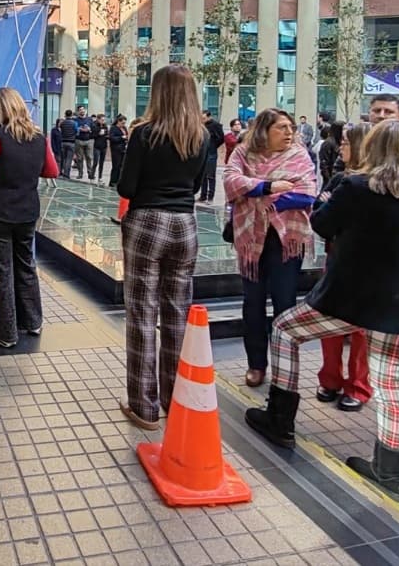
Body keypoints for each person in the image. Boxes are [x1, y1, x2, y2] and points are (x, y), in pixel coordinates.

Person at [245, 121, 399, 502]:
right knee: (390, 382)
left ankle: (280, 417)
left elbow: (322, 224)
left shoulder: (357, 187)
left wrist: (324, 202)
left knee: (285, 330)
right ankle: (391, 470)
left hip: (354, 293)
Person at [116, 65, 213, 430]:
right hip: (185, 226)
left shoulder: (144, 134)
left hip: (148, 223)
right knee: (177, 315)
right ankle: (176, 398)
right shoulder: (202, 136)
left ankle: (145, 406)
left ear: (158, 93)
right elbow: (199, 182)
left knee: (142, 313)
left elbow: (126, 188)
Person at [223, 109, 317, 387]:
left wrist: (263, 199)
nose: (289, 133)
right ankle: (256, 365)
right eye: (281, 128)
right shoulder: (242, 153)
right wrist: (268, 186)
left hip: (285, 240)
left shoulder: (299, 154)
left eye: (291, 127)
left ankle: (284, 367)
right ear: (264, 130)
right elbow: (230, 182)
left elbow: (306, 193)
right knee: (252, 303)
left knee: (284, 304)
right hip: (251, 241)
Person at [0, 88, 60, 348]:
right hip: (27, 212)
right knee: (26, 264)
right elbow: (52, 171)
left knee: (2, 271)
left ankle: (6, 332)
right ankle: (32, 321)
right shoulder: (39, 137)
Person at [314, 122, 373, 412]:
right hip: (336, 258)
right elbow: (319, 213)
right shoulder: (338, 179)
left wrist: (328, 208)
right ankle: (330, 379)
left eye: (347, 143)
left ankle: (358, 386)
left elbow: (328, 212)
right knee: (329, 323)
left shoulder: (375, 183)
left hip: (365, 265)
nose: (341, 148)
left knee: (361, 331)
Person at [199, 111, 226, 203]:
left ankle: (210, 196)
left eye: (204, 118)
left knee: (211, 175)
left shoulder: (216, 125)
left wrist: (214, 146)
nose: (202, 120)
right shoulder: (201, 126)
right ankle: (203, 196)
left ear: (209, 117)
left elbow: (221, 139)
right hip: (202, 152)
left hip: (211, 153)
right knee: (203, 175)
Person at [73, 106, 95, 179]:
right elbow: (74, 129)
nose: (82, 111)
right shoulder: (75, 120)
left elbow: (94, 128)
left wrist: (89, 129)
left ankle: (90, 173)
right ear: (78, 112)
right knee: (79, 158)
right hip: (79, 140)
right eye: (80, 110)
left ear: (85, 110)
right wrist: (79, 129)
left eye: (83, 110)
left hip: (89, 140)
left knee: (89, 157)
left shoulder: (89, 119)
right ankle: (80, 173)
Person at [108, 115, 128, 186]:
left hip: (123, 149)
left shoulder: (124, 128)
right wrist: (121, 137)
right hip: (116, 150)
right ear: (118, 122)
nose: (123, 124)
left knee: (121, 166)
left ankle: (119, 181)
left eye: (124, 123)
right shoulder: (113, 128)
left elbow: (127, 135)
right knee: (116, 166)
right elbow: (112, 138)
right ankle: (113, 182)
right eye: (122, 123)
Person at [59, 110, 77, 179]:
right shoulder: (74, 123)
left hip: (63, 142)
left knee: (64, 158)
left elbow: (61, 130)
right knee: (69, 159)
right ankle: (67, 174)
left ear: (65, 115)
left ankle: (63, 172)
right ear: (71, 115)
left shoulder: (62, 123)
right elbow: (76, 131)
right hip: (71, 142)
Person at [92, 114, 110, 182]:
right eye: (102, 120)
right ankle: (92, 175)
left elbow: (107, 134)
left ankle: (100, 177)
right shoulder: (95, 126)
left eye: (104, 120)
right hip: (97, 146)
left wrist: (107, 135)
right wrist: (98, 134)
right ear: (98, 119)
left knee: (102, 162)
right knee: (95, 162)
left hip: (104, 146)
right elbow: (92, 135)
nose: (103, 121)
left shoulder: (105, 127)